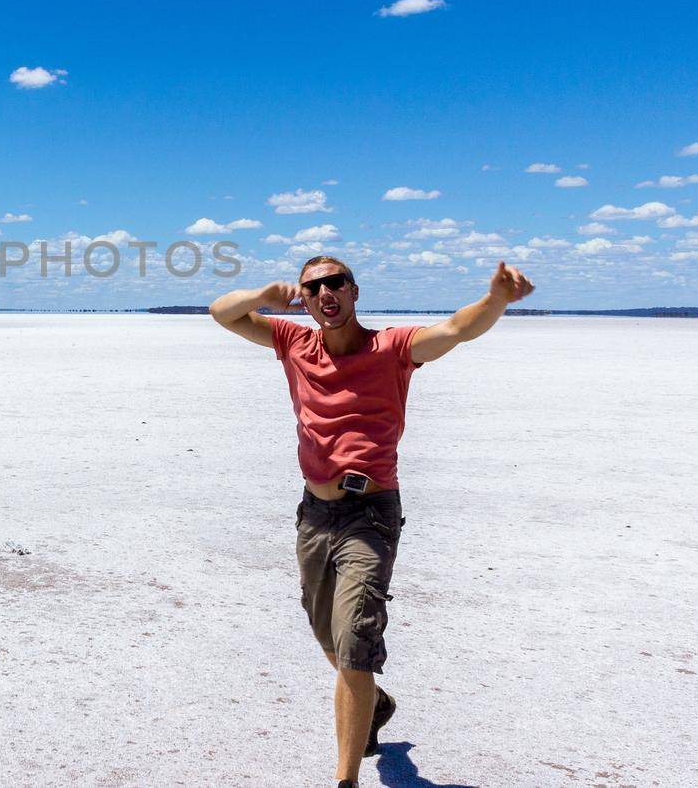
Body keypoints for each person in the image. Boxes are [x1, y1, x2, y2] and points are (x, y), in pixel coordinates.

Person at [209, 254, 535, 788]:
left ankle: (345, 780)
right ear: (306, 298)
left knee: (355, 646)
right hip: (315, 514)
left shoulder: (393, 349)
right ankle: (375, 705)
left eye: (335, 282)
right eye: (314, 287)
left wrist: (496, 299)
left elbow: (455, 329)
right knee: (330, 640)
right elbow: (222, 312)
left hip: (370, 515)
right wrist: (262, 296)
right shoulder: (294, 343)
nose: (325, 293)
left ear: (354, 291)